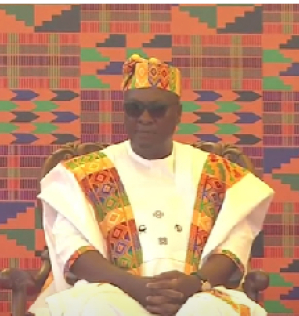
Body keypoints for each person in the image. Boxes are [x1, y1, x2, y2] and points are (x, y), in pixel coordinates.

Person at [28, 54, 275, 316]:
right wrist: (133, 285)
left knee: (210, 310)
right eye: (134, 109)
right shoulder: (82, 173)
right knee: (98, 306)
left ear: (178, 113)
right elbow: (72, 246)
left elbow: (235, 242)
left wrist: (194, 283)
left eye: (157, 109)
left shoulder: (217, 172)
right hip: (113, 290)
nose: (144, 118)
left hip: (197, 291)